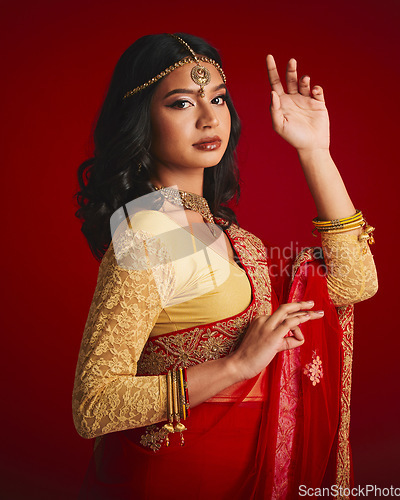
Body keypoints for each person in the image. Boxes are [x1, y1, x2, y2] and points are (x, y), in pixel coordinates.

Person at [73, 33, 378, 499]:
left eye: (218, 99)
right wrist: (237, 364)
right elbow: (94, 406)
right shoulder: (147, 233)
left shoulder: (233, 237)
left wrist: (315, 151)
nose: (209, 117)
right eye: (180, 103)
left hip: (246, 476)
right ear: (140, 120)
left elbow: (355, 282)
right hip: (178, 480)